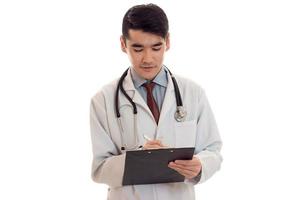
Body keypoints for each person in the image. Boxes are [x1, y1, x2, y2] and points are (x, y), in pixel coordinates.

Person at [90, 3, 222, 200]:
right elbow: (100, 168)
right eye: (137, 48)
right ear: (122, 44)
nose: (147, 58)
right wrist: (140, 159)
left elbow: (212, 150)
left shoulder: (192, 93)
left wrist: (200, 165)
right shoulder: (103, 100)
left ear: (167, 42)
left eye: (156, 47)